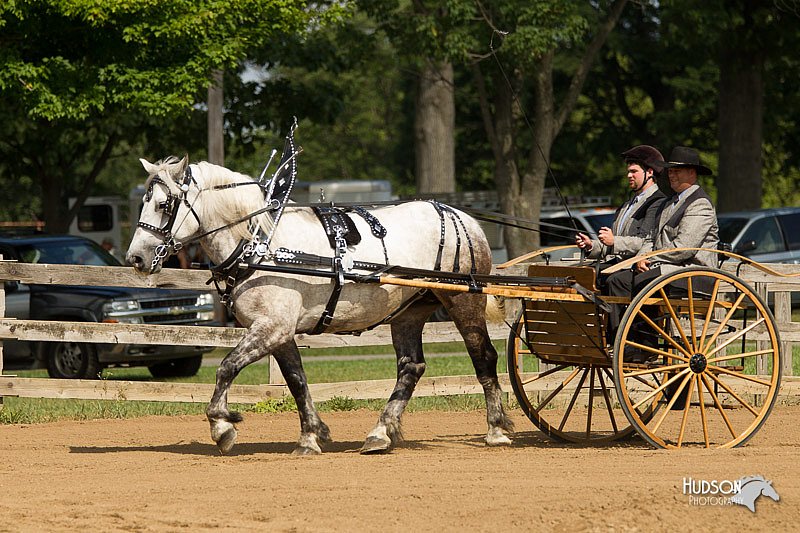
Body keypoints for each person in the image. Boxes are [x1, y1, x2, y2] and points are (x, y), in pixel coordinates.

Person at [605, 146, 719, 356]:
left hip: (693, 272)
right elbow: (651, 239)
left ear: (692, 173)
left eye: (677, 171)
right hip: (668, 267)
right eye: (670, 170)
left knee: (633, 281)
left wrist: (651, 259)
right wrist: (642, 257)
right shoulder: (669, 203)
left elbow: (684, 248)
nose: (671, 175)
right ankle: (621, 340)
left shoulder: (700, 204)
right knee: (615, 279)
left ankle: (644, 345)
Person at [575, 145, 667, 271]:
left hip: (635, 267)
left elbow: (646, 242)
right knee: (582, 274)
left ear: (650, 172)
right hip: (616, 263)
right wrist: (591, 245)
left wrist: (614, 241)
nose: (629, 175)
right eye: (628, 171)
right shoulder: (627, 205)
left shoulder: (658, 202)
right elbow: (612, 244)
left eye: (634, 171)